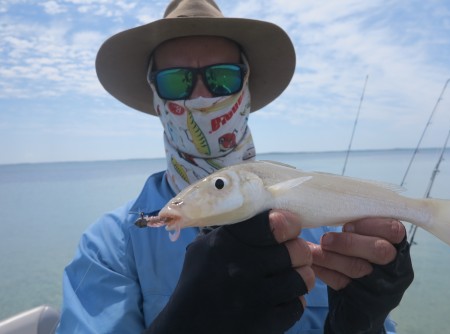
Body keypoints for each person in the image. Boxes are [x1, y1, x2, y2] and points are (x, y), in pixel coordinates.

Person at [57, 0, 414, 333]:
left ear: (246, 89)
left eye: (222, 78)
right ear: (156, 98)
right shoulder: (109, 248)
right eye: (176, 81)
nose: (200, 96)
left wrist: (360, 323)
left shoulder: (322, 220)